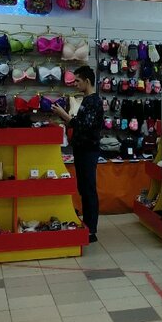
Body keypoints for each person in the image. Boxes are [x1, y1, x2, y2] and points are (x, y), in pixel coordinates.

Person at [52, 66, 102, 243]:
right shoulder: (88, 100)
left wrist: (65, 115)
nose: (75, 84)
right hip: (82, 150)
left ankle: (91, 230)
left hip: (88, 150)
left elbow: (84, 126)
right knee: (84, 188)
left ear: (87, 81)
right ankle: (88, 225)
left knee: (88, 189)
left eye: (78, 81)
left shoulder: (94, 101)